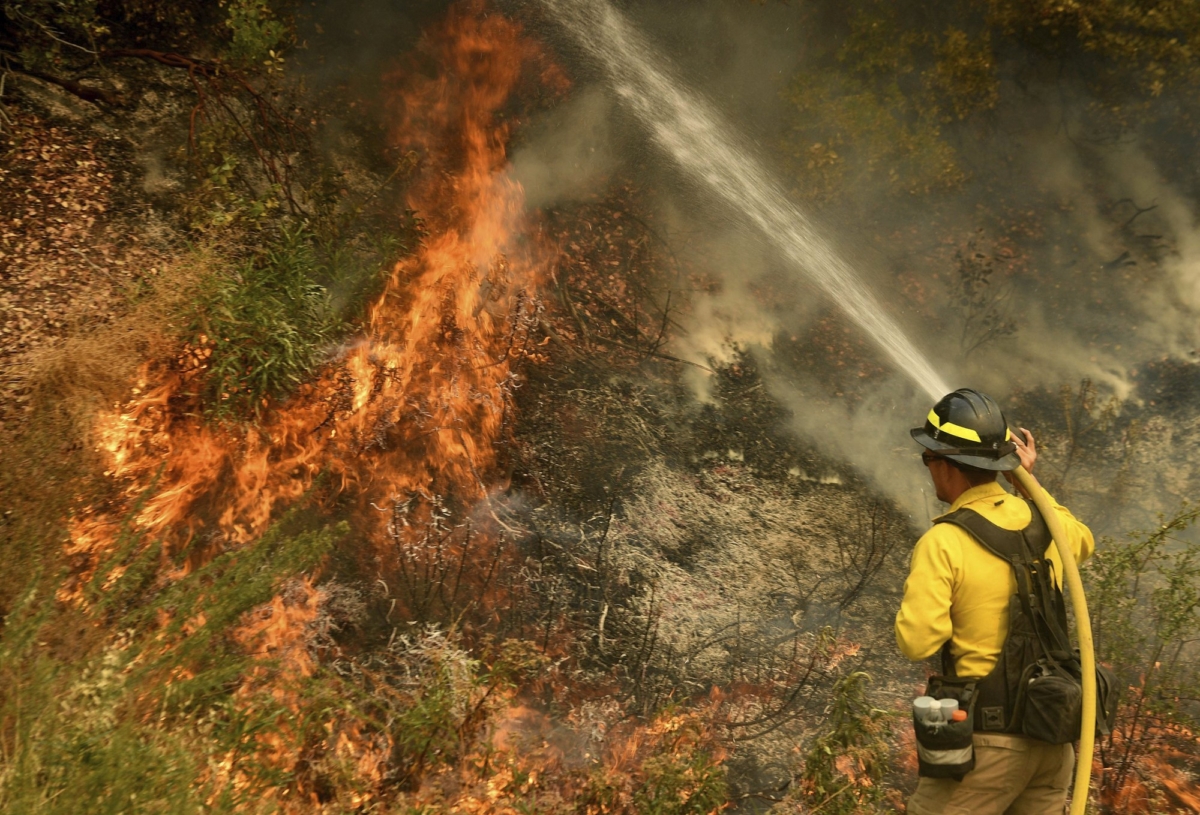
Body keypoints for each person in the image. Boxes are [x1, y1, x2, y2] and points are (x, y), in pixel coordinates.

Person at [897, 388, 1095, 815]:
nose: (929, 469)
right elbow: (1082, 540)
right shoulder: (1047, 524)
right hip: (1052, 746)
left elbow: (917, 642)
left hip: (986, 748)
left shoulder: (944, 541)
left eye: (929, 458)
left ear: (946, 464)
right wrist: (1028, 483)